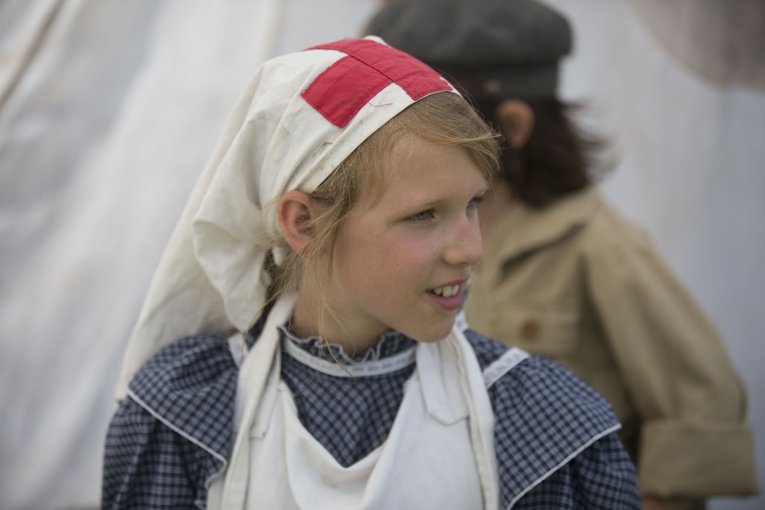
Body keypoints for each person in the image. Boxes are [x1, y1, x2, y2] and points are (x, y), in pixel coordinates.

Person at [101, 37, 640, 509]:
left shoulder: (541, 423)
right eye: (424, 214)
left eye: (473, 203)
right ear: (304, 223)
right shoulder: (187, 415)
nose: (471, 249)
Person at [366, 1, 759, 509]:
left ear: (513, 125)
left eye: (426, 121)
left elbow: (703, 404)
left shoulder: (599, 246)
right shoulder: (408, 235)